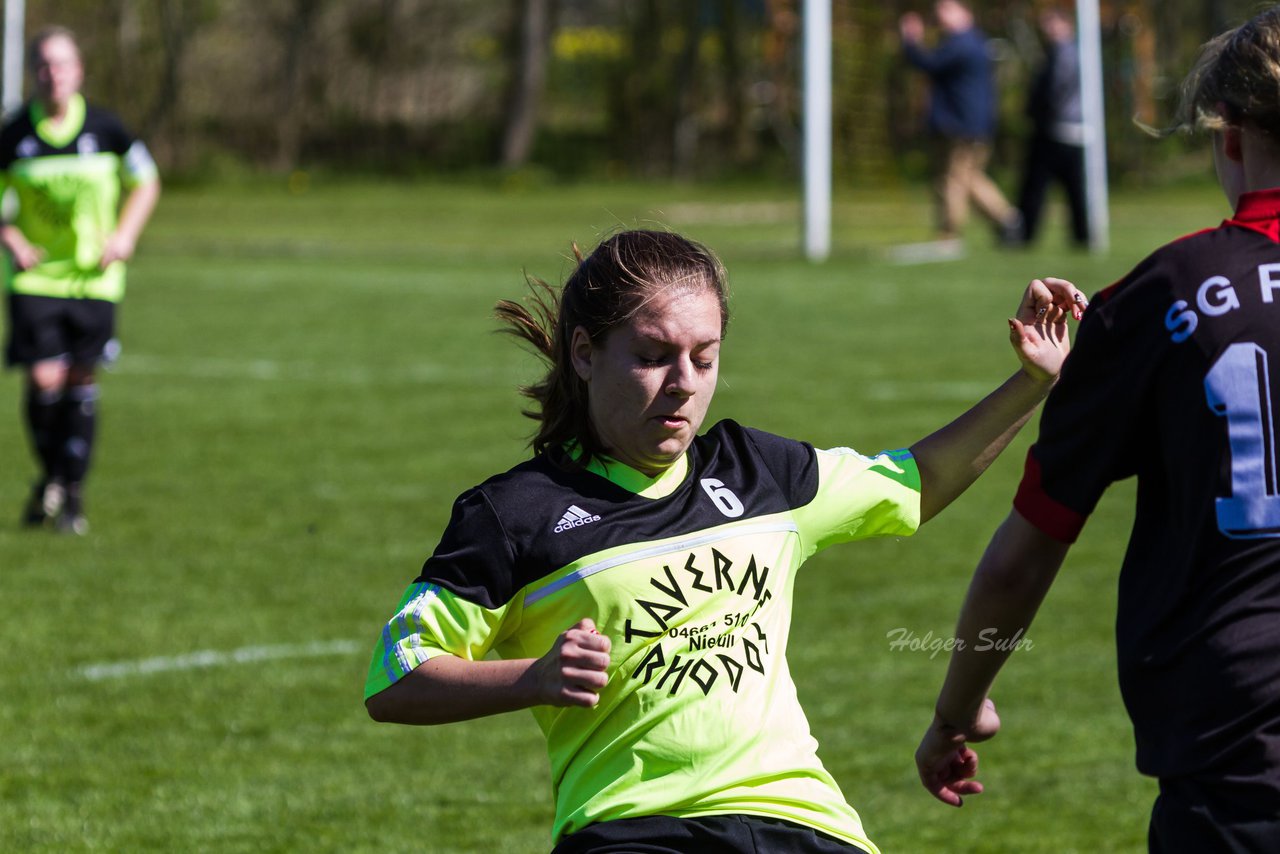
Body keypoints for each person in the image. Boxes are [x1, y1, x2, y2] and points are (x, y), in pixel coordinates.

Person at [363, 228, 1085, 853]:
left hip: (805, 822)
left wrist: (1030, 382)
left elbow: (917, 481)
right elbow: (395, 678)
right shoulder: (516, 514)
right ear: (584, 353)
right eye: (653, 356)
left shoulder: (761, 473)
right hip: (634, 829)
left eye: (703, 359)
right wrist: (532, 678)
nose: (683, 384)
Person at [915, 8, 1280, 852]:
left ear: (1227, 135)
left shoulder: (1165, 294)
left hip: (1240, 760)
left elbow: (1024, 555)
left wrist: (957, 709)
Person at [2, 26, 160, 534]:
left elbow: (147, 180)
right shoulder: (14, 135)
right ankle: (54, 477)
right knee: (44, 378)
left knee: (80, 380)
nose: (53, 75)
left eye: (62, 64)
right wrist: (11, 237)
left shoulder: (107, 129)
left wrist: (125, 234)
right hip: (37, 279)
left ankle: (69, 493)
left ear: (79, 71)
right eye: (44, 66)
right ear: (34, 73)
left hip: (95, 280)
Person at [899, 0, 1022, 246]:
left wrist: (911, 41)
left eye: (946, 9)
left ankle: (949, 233)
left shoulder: (961, 42)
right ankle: (1008, 219)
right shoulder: (975, 41)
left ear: (964, 12)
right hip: (974, 123)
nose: (940, 14)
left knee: (951, 179)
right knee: (969, 178)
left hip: (959, 124)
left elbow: (929, 64)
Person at [1015, 7, 1090, 247]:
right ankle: (1080, 235)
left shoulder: (1065, 53)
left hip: (1060, 131)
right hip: (1062, 130)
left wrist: (1040, 112)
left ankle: (1028, 234)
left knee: (1040, 186)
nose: (1048, 30)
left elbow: (1056, 91)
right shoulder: (1060, 52)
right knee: (1068, 190)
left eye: (1053, 23)